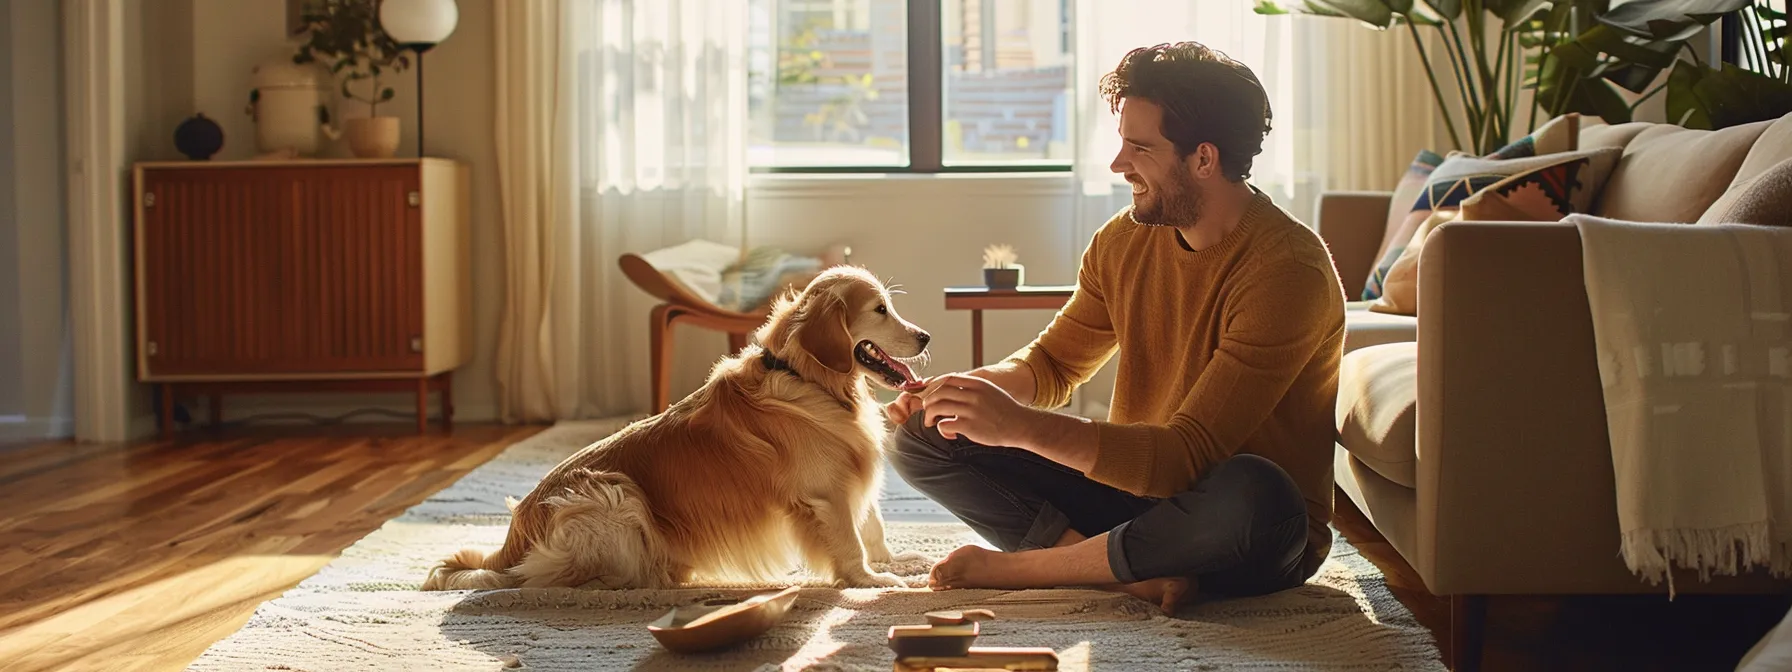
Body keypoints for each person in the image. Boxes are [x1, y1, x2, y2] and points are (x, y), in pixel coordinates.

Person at [885, 41, 1345, 615]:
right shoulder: (1124, 240)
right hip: (1134, 501)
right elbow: (1052, 366)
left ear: (1204, 159)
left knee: (1258, 492)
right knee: (925, 438)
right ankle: (1122, 576)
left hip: (1236, 530)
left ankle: (1033, 569)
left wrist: (1022, 428)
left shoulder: (1286, 272)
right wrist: (964, 395)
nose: (1118, 163)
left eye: (1140, 147)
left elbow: (1186, 456)